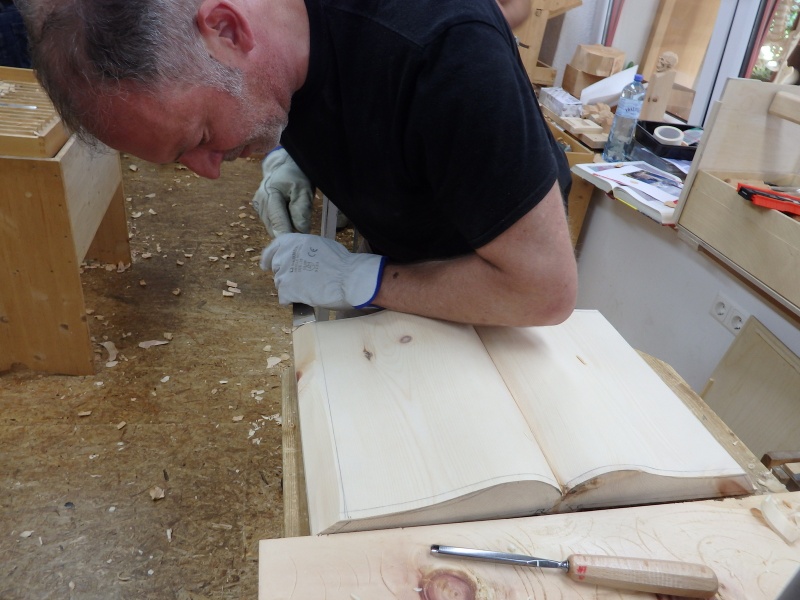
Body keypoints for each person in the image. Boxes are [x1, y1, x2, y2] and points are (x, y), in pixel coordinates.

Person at [17, 0, 577, 327]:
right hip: (407, 231)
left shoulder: (446, 54)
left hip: (493, 273)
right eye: (179, 160)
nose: (209, 171)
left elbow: (541, 291)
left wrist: (362, 279)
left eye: (202, 136)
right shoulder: (272, 34)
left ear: (228, 29)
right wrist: (291, 153)